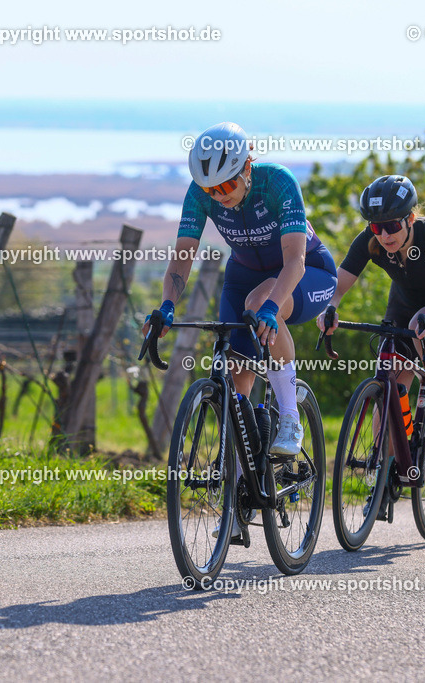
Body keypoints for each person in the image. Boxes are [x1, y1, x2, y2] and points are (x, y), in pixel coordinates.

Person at [143, 122, 337, 536]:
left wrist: (270, 306)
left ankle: (289, 416)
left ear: (248, 166)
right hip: (244, 274)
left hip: (307, 273)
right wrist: (165, 305)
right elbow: (182, 257)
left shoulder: (277, 182)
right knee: (236, 381)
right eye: (211, 191)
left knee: (259, 305)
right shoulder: (200, 193)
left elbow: (294, 263)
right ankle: (240, 497)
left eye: (227, 185)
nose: (221, 196)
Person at [318, 175, 425, 444]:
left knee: (422, 325)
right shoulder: (369, 240)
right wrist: (329, 309)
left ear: (410, 219)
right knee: (390, 380)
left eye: (393, 226)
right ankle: (387, 467)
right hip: (404, 304)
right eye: (377, 227)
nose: (384, 235)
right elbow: (338, 286)